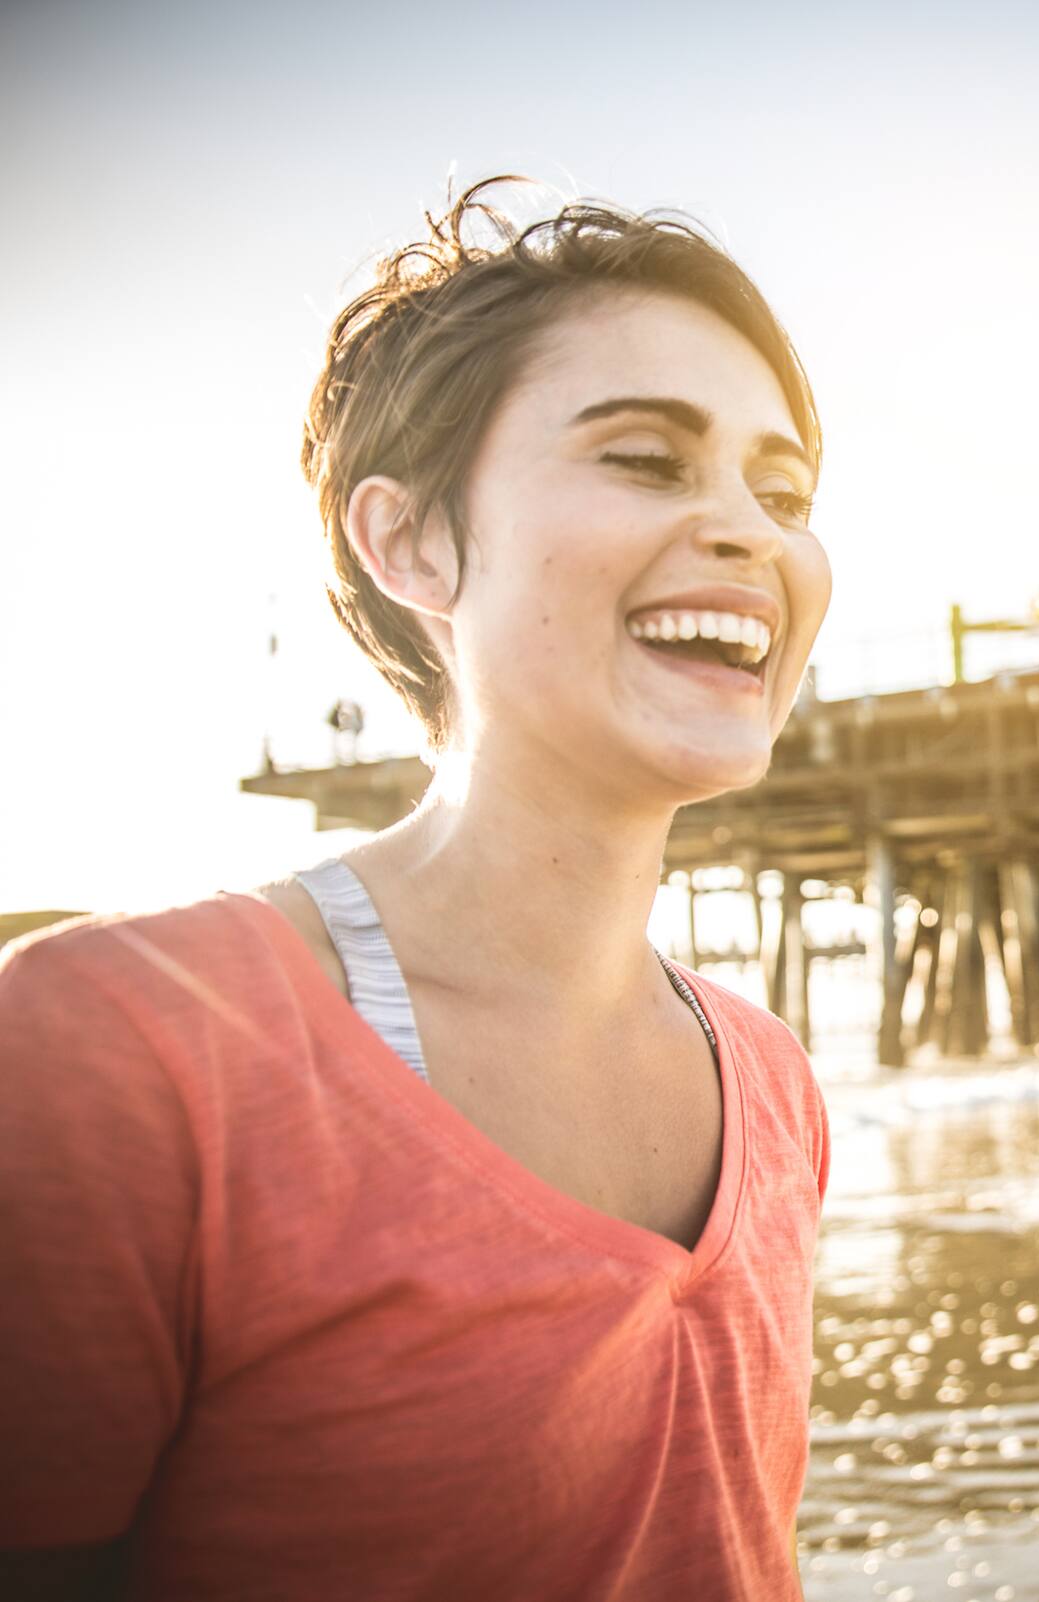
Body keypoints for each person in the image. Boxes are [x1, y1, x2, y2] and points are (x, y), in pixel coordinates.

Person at [0, 180, 833, 1600]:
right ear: (411, 546)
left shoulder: (769, 1077)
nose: (748, 531)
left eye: (784, 489)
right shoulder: (123, 1052)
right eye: (645, 459)